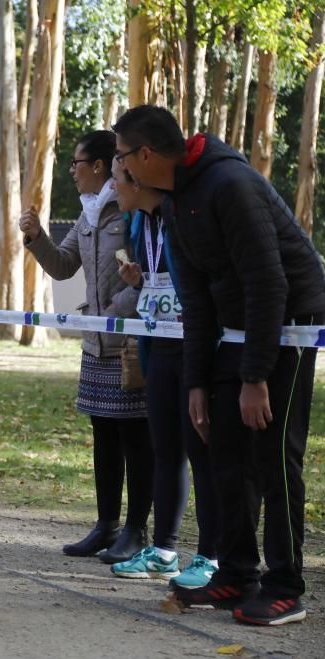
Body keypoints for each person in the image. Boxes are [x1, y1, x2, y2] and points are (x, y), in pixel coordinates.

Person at [113, 105, 325, 626]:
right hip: (237, 326)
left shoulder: (229, 183)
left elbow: (269, 283)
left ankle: (285, 588)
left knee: (274, 456)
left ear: (144, 154)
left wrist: (254, 378)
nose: (119, 170)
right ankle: (236, 574)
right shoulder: (175, 201)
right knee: (222, 449)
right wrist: (198, 382)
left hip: (288, 324)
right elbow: (197, 299)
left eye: (121, 157)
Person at [19, 130, 152, 565]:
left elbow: (148, 273)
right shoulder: (88, 215)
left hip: (129, 344)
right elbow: (62, 267)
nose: (71, 172)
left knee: (134, 436)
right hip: (95, 346)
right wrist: (36, 236)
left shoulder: (130, 208)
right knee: (103, 434)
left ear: (99, 166)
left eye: (76, 164)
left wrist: (113, 310)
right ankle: (106, 525)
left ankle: (137, 530)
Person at [107, 159, 220, 590]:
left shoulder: (182, 217)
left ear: (138, 181)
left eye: (118, 181)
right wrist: (139, 281)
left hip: (196, 343)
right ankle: (164, 550)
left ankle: (210, 555)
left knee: (201, 450)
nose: (114, 189)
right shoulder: (138, 222)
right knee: (165, 447)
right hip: (158, 344)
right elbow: (157, 279)